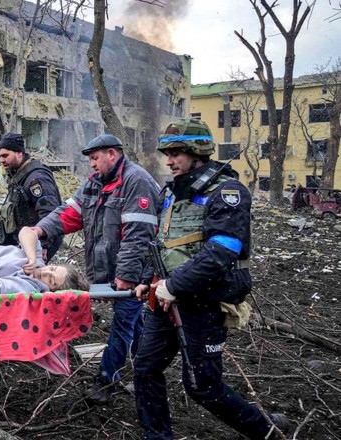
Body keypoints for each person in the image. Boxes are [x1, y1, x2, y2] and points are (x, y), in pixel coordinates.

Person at [133, 119, 289, 439]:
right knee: (145, 369)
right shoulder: (171, 192)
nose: (169, 160)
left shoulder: (228, 192)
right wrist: (144, 279)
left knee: (203, 387)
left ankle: (268, 432)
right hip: (164, 298)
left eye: (176, 153)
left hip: (201, 302)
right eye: (167, 153)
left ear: (198, 153)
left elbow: (223, 250)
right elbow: (162, 242)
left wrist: (173, 286)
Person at [32, 134, 160, 404]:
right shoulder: (93, 184)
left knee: (123, 323)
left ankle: (106, 379)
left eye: (94, 158)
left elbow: (139, 235)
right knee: (135, 322)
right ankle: (145, 372)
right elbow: (68, 213)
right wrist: (40, 229)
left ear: (112, 154)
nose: (91, 164)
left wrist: (125, 276)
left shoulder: (137, 182)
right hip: (110, 272)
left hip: (136, 272)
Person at [0, 132, 63, 262]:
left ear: (19, 153)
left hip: (37, 240)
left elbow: (49, 212)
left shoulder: (36, 178)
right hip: (25, 239)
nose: (1, 160)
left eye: (5, 155)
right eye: (0, 156)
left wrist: (43, 244)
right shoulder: (19, 175)